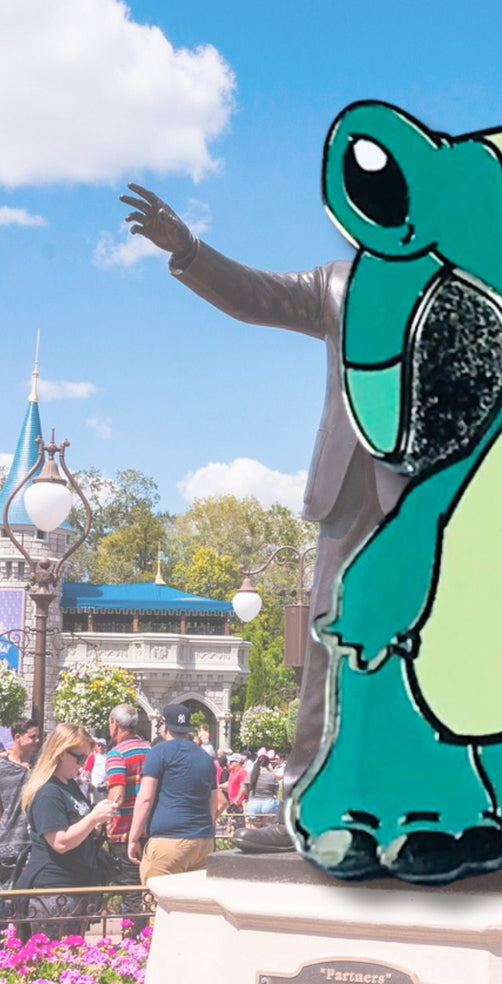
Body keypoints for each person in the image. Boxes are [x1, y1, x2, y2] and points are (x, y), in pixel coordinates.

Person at [121, 184, 408, 853]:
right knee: (327, 640)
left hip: (436, 489)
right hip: (349, 486)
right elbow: (256, 294)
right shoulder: (338, 284)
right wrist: (189, 250)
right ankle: (307, 808)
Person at [15, 723, 117, 938]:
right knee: (52, 955)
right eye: (80, 758)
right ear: (61, 753)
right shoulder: (48, 792)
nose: (83, 764)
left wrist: (97, 824)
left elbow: (76, 826)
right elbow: (59, 842)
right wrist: (93, 818)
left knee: (69, 954)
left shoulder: (68, 784)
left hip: (74, 885)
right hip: (53, 891)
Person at [127, 704, 225, 882]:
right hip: (202, 841)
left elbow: (145, 798)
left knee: (156, 895)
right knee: (193, 898)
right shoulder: (206, 757)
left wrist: (133, 838)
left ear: (164, 726)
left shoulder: (159, 752)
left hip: (168, 840)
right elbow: (213, 803)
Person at [105, 703, 151, 930]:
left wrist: (104, 818)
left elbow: (118, 796)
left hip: (124, 833)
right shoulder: (151, 751)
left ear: (115, 724)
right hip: (149, 831)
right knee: (146, 890)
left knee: (130, 892)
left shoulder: (116, 754)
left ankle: (133, 940)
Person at [0, 718, 40, 872]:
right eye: (32, 737)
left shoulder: (41, 766)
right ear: (18, 737)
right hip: (7, 845)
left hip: (36, 845)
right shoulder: (3, 769)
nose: (37, 741)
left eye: (37, 737)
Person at [244, 751, 281, 828]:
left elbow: (245, 788)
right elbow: (276, 791)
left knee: (254, 830)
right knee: (267, 830)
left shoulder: (251, 774)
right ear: (268, 764)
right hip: (268, 803)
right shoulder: (271, 776)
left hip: (253, 803)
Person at [83, 738, 109, 805]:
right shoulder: (93, 756)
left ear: (105, 746)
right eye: (99, 745)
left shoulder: (108, 757)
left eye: (102, 745)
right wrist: (90, 782)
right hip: (95, 784)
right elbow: (87, 770)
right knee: (96, 803)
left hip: (105, 785)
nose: (100, 747)